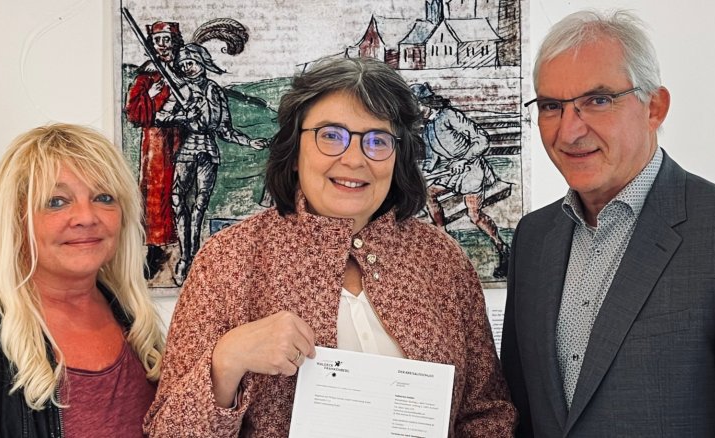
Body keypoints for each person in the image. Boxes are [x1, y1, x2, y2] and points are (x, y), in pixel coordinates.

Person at [144, 57, 515, 436]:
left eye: (377, 140)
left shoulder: (443, 259)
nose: (354, 159)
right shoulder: (228, 258)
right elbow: (168, 431)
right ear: (294, 151)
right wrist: (227, 359)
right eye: (331, 136)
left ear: (398, 158)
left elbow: (488, 413)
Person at [500, 9, 715, 437]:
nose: (569, 131)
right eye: (551, 107)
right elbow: (519, 417)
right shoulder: (532, 239)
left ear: (654, 107)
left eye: (597, 100)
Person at [0, 124, 166, 437]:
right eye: (57, 201)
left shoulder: (138, 327)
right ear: (17, 219)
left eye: (104, 197)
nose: (87, 217)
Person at [157, 42, 268, 286]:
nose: (187, 68)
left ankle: (193, 256)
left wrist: (250, 142)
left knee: (200, 204)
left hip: (208, 150)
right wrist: (184, 116)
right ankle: (185, 254)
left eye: (191, 63)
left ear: (201, 63)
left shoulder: (215, 91)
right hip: (187, 149)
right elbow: (160, 115)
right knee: (177, 200)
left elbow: (225, 129)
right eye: (183, 64)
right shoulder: (181, 89)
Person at [410, 82, 510, 278]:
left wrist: (464, 160)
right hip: (452, 172)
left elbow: (482, 139)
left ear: (425, 103)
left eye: (415, 106)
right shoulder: (428, 128)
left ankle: (502, 248)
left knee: (475, 215)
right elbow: (432, 158)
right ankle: (445, 240)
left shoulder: (450, 115)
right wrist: (422, 174)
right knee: (428, 193)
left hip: (472, 169)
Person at [125, 21, 185, 280]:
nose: (162, 45)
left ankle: (185, 246)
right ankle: (156, 246)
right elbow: (133, 112)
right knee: (157, 190)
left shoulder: (184, 69)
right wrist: (150, 95)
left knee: (181, 189)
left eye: (166, 39)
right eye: (157, 40)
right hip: (157, 140)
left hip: (183, 136)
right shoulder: (146, 75)